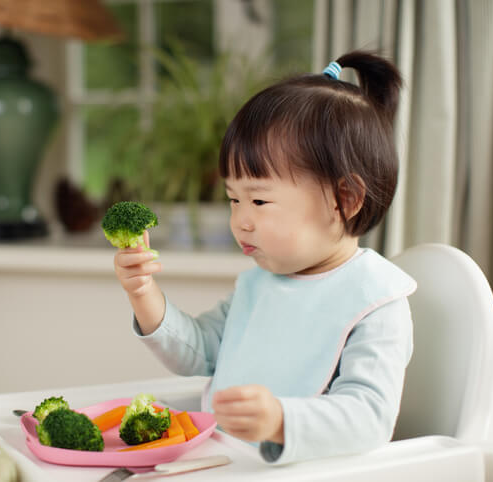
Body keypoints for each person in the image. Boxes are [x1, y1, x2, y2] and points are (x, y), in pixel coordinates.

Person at [111, 51, 417, 465]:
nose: (241, 221)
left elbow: (369, 417)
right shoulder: (258, 284)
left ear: (344, 198)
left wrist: (281, 420)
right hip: (229, 462)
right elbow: (198, 352)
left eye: (258, 199)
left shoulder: (376, 300)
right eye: (234, 199)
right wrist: (143, 292)